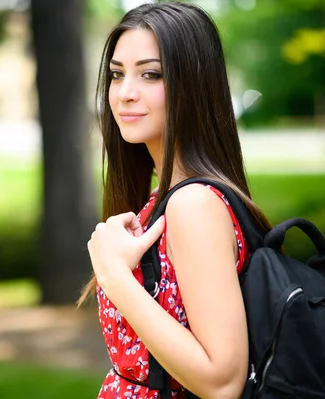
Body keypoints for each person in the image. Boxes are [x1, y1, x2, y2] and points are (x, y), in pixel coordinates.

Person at [79, 2, 272, 398]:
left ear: (193, 84)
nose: (125, 93)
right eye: (116, 75)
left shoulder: (193, 205)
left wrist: (115, 275)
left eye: (151, 74)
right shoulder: (163, 199)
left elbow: (222, 382)